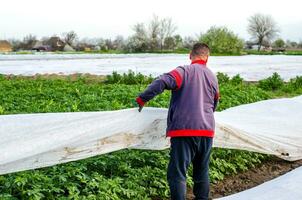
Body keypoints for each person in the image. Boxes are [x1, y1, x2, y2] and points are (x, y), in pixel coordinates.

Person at [135, 43, 219, 200]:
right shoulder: (212, 77)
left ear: (190, 55)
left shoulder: (184, 72)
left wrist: (142, 98)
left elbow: (162, 81)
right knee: (202, 171)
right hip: (207, 131)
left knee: (178, 172)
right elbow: (215, 103)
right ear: (207, 58)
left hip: (184, 130)